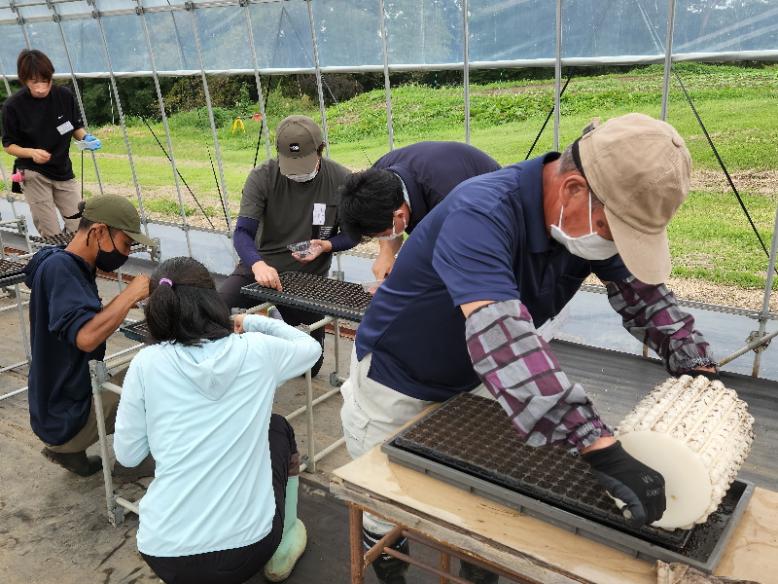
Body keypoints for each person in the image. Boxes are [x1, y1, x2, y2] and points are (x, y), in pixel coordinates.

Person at [341, 114, 718, 584]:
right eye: (611, 227)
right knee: (387, 499)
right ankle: (388, 564)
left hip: (472, 375)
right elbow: (502, 336)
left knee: (476, 492)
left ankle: (476, 569)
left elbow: (643, 294)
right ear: (574, 189)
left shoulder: (589, 221)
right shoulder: (479, 211)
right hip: (397, 377)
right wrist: (598, 445)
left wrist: (692, 357)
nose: (614, 241)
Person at [114, 257, 321, 584]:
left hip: (164, 552)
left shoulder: (146, 363)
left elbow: (128, 455)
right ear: (212, 301)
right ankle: (284, 542)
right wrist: (253, 322)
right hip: (248, 548)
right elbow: (310, 349)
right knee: (277, 429)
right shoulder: (256, 350)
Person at [23, 195, 153, 477]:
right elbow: (86, 337)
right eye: (126, 243)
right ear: (98, 231)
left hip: (53, 411)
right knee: (154, 375)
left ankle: (69, 453)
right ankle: (133, 463)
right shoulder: (61, 270)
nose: (127, 253)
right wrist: (130, 295)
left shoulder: (57, 259)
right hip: (67, 418)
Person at [218, 115, 353, 376]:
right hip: (260, 269)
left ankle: (274, 342)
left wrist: (326, 245)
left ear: (320, 151)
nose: (298, 172)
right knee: (214, 309)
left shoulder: (342, 180)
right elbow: (243, 232)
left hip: (309, 280)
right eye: (290, 164)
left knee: (308, 367)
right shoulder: (262, 177)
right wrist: (257, 264)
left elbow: (352, 235)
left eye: (303, 163)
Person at [339, 141, 500, 280]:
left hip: (494, 213)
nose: (384, 237)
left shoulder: (448, 199)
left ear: (400, 215)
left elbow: (462, 257)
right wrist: (386, 254)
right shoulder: (376, 177)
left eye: (383, 235)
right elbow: (385, 221)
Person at [2, 49, 102, 238]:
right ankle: (55, 262)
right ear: (24, 80)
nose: (40, 87)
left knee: (80, 226)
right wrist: (32, 152)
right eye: (34, 82)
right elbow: (9, 145)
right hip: (33, 173)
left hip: (63, 170)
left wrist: (86, 138)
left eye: (44, 81)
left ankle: (78, 263)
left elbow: (74, 127)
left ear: (50, 78)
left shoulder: (64, 96)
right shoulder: (13, 106)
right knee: (51, 232)